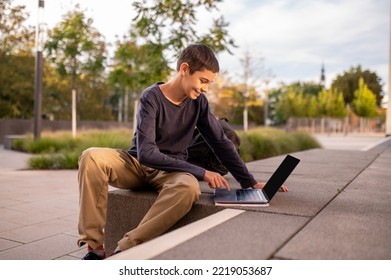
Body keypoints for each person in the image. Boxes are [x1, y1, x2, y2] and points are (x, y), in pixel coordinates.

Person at [77, 43, 288, 260]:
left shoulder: (199, 103)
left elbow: (221, 142)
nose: (205, 88)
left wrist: (250, 183)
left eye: (209, 83)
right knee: (91, 156)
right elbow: (147, 152)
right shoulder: (151, 97)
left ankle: (126, 250)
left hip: (170, 172)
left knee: (188, 187)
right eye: (203, 81)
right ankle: (94, 249)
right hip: (137, 164)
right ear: (185, 69)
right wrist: (203, 172)